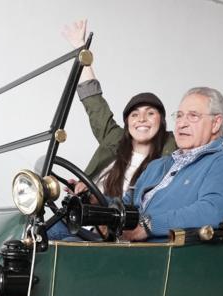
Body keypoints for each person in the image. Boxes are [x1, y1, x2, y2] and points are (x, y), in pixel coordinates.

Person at [62, 20, 176, 197]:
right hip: (87, 218)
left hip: (126, 223)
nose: (142, 119)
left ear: (161, 120)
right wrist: (81, 50)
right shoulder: (114, 138)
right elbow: (94, 102)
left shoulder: (172, 149)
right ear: (127, 123)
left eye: (150, 113)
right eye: (134, 114)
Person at [121, 87, 223, 241]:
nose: (181, 124)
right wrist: (96, 202)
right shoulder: (157, 165)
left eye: (193, 116)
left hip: (165, 254)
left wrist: (148, 226)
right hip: (128, 247)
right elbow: (127, 203)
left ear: (216, 123)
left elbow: (211, 211)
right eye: (179, 116)